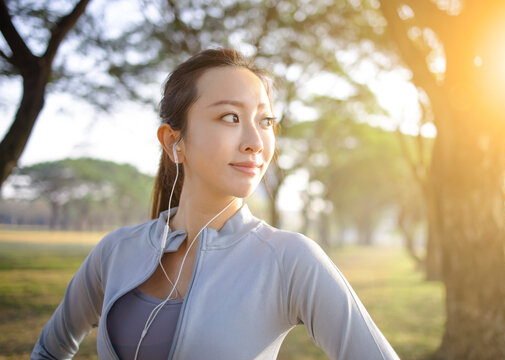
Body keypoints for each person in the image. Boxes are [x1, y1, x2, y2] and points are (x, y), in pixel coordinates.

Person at [31, 48, 399, 360]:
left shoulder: (290, 260)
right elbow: (48, 351)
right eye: (230, 117)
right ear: (174, 141)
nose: (256, 141)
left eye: (266, 120)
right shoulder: (115, 251)